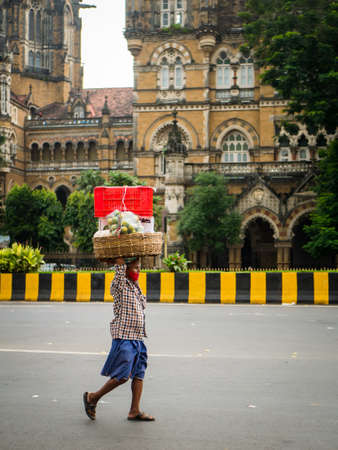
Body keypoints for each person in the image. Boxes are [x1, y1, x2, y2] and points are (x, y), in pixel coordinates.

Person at [83, 256, 155, 421]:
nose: (139, 271)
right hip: (124, 336)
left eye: (139, 267)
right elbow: (120, 272)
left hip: (138, 337)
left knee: (139, 373)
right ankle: (93, 397)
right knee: (123, 374)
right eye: (136, 268)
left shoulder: (135, 287)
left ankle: (134, 410)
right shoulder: (119, 285)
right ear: (126, 269)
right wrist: (120, 263)